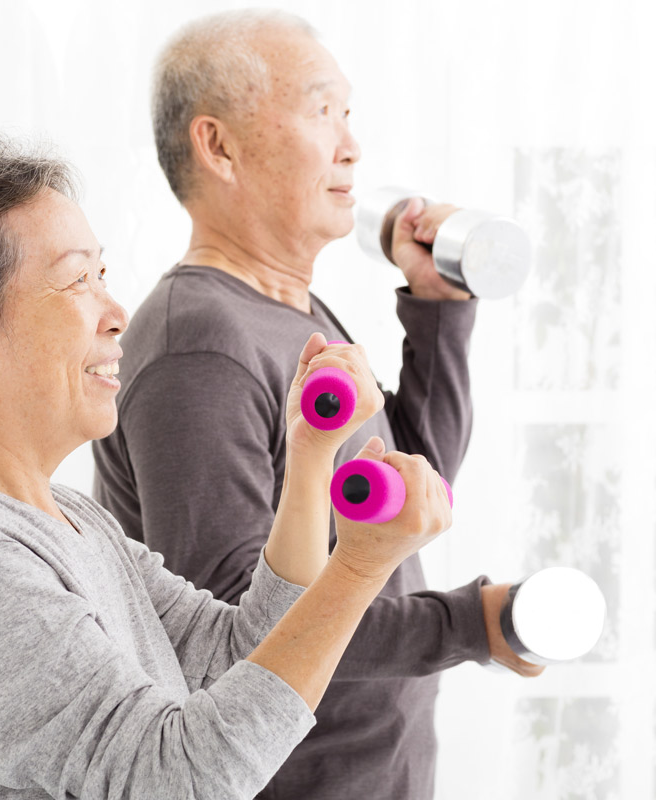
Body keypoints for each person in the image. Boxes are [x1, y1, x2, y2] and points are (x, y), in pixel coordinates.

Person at [0, 131, 455, 800]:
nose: (116, 313)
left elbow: (233, 657)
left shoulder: (69, 519)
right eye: (76, 280)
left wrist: (308, 460)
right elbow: (175, 780)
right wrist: (359, 567)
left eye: (101, 275)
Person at [92, 10, 543, 800]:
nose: (350, 146)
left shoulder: (286, 311)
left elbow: (412, 484)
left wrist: (436, 302)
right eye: (319, 109)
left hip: (376, 771)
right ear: (219, 146)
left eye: (348, 114)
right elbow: (236, 632)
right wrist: (468, 625)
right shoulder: (197, 343)